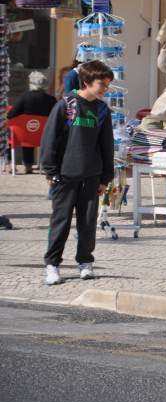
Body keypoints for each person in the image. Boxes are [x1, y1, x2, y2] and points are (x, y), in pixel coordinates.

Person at [40, 61, 114, 286]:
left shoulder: (102, 110)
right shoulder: (66, 105)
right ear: (87, 82)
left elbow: (106, 146)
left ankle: (85, 262)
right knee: (61, 221)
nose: (105, 89)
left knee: (88, 222)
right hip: (64, 176)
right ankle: (52, 265)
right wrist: (51, 172)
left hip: (91, 176)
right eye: (102, 84)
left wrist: (105, 178)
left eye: (108, 85)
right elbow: (50, 140)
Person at [7, 71, 57, 174]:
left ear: (31, 83)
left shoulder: (24, 97)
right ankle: (36, 164)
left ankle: (20, 164)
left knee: (23, 130)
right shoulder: (51, 100)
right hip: (43, 137)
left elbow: (10, 115)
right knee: (32, 130)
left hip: (24, 136)